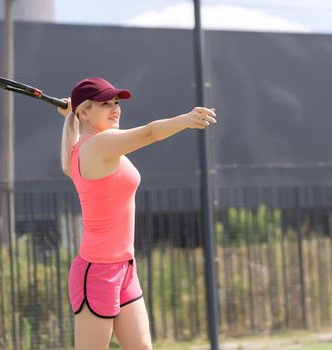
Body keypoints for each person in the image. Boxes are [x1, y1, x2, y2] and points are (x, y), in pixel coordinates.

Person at [57, 77, 217, 350]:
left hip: (124, 268)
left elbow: (78, 134)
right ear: (83, 111)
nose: (115, 109)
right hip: (97, 272)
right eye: (105, 104)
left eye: (116, 102)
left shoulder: (89, 145)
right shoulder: (99, 145)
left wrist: (71, 117)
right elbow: (149, 133)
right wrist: (185, 119)